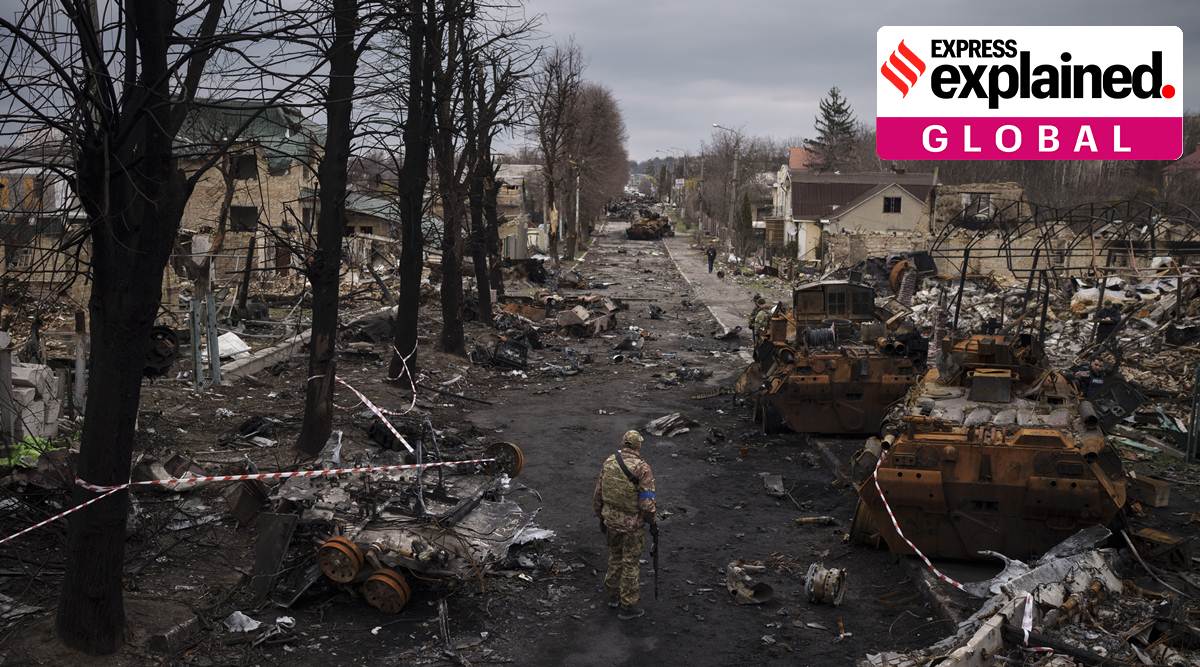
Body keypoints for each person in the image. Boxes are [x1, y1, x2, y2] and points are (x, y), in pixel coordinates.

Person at [592, 430, 657, 620]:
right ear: (638, 446)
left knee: (614, 557)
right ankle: (627, 605)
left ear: (623, 443)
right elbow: (646, 503)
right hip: (632, 525)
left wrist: (600, 516)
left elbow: (598, 493)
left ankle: (612, 596)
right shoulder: (643, 469)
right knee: (630, 563)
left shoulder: (610, 462)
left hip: (611, 520)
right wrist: (651, 521)